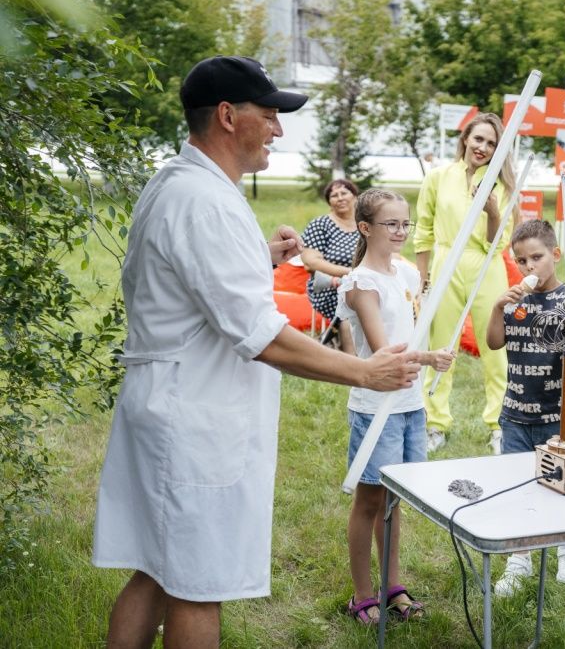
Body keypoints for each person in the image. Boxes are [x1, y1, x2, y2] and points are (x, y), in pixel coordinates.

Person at [91, 56, 421, 649]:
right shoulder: (205, 204)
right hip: (193, 421)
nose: (278, 129)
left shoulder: (181, 184)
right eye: (268, 115)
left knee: (157, 573)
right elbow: (261, 334)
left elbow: (197, 285)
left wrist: (262, 256)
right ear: (227, 116)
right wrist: (365, 371)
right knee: (196, 585)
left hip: (176, 407)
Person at [336, 188, 454, 624]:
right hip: (375, 407)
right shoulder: (360, 284)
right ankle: (362, 594)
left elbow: (413, 328)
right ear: (366, 229)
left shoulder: (405, 274)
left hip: (409, 405)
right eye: (392, 224)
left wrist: (428, 352)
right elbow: (384, 353)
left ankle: (392, 584)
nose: (401, 231)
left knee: (394, 500)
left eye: (405, 223)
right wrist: (427, 358)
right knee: (369, 499)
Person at [484, 220, 565, 596]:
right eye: (521, 260)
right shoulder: (515, 301)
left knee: (561, 484)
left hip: (557, 414)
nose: (529, 267)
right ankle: (519, 557)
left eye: (537, 258)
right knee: (518, 487)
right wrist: (498, 307)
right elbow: (495, 343)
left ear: (555, 255)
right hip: (514, 413)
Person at [414, 112, 517, 455]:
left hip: (486, 268)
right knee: (441, 346)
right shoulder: (439, 177)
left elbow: (498, 244)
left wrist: (492, 212)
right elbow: (424, 228)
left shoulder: (503, 187)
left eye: (491, 143)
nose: (483, 147)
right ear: (465, 139)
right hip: (445, 263)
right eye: (478, 139)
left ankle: (499, 425)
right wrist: (422, 276)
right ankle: (435, 422)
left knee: (495, 351)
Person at [300, 177, 360, 348]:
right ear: (329, 203)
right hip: (329, 286)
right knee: (351, 309)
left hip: (363, 282)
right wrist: (348, 273)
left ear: (355, 196)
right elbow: (310, 262)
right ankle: (352, 363)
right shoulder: (321, 224)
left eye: (344, 193)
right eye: (334, 195)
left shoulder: (365, 224)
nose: (340, 198)